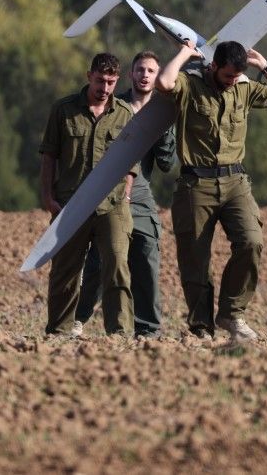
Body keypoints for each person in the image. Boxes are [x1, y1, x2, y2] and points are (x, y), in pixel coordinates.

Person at [156, 40, 267, 341]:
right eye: (228, 75)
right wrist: (184, 53)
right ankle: (201, 328)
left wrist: (265, 67)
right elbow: (165, 82)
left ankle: (232, 314)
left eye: (237, 76)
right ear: (214, 66)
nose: (233, 81)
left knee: (251, 242)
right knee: (195, 261)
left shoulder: (243, 88)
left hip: (235, 183)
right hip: (196, 185)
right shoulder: (190, 85)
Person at [72, 51, 177, 338]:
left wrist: (166, 127)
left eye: (151, 71)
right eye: (140, 69)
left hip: (141, 192)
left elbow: (167, 164)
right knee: (99, 260)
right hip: (109, 189)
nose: (145, 75)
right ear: (131, 74)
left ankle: (148, 330)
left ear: (158, 77)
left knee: (146, 254)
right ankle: (77, 318)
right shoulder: (116, 107)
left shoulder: (163, 111)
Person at [38, 52, 137, 336]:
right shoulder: (63, 110)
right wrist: (47, 196)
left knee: (117, 265)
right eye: (99, 80)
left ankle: (118, 333)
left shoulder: (124, 114)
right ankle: (59, 331)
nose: (104, 88)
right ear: (88, 76)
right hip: (71, 204)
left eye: (110, 82)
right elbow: (48, 155)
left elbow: (133, 159)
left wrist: (127, 193)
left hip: (113, 204)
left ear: (117, 81)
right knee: (65, 273)